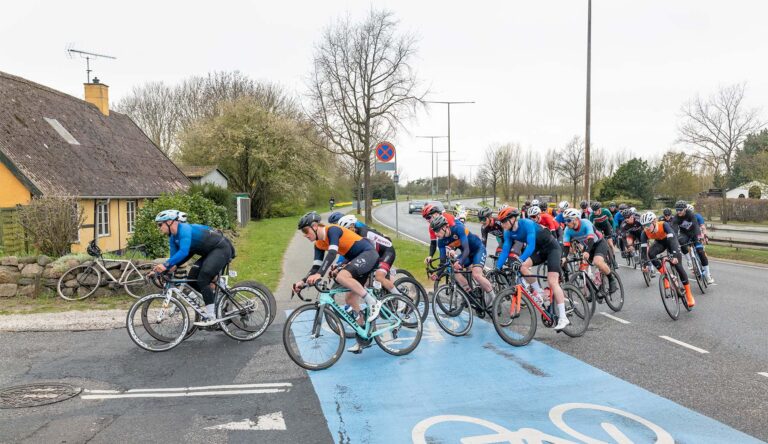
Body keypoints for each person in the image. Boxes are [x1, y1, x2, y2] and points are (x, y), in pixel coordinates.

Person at [292, 211, 382, 353]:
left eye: (305, 230)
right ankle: (363, 338)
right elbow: (315, 267)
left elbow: (332, 254)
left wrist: (320, 274)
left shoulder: (332, 230)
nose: (305, 235)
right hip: (355, 259)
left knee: (341, 276)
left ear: (315, 226)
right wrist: (302, 282)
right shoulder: (319, 244)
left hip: (368, 254)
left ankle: (373, 302)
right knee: (351, 300)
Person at [153, 209, 235, 327]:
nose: (159, 227)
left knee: (203, 278)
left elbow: (184, 251)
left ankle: (211, 316)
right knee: (191, 279)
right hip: (209, 253)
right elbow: (174, 258)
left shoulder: (184, 229)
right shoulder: (172, 238)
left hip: (221, 248)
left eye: (160, 224)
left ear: (170, 222)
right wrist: (165, 268)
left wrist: (165, 265)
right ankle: (217, 295)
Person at [494, 207, 570, 331]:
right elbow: (506, 249)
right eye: (501, 222)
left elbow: (531, 245)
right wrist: (498, 267)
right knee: (523, 268)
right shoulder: (507, 232)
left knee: (552, 281)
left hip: (552, 248)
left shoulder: (527, 224)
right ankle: (539, 292)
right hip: (539, 251)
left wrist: (520, 259)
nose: (502, 224)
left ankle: (563, 317)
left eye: (504, 221)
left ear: (512, 219)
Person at [430, 215, 496, 305]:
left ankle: (495, 300)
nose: (436, 234)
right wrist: (437, 274)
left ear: (445, 227)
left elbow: (466, 249)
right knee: (452, 269)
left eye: (437, 230)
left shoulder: (458, 229)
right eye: (434, 231)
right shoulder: (441, 241)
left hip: (477, 250)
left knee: (476, 275)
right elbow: (442, 261)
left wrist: (460, 262)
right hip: (467, 254)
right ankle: (469, 293)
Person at [639, 211, 696, 308]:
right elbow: (643, 251)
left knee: (677, 265)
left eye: (648, 225)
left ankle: (689, 294)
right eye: (644, 226)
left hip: (671, 242)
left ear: (654, 221)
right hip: (660, 243)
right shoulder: (644, 233)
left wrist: (674, 255)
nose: (646, 228)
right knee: (651, 253)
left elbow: (673, 240)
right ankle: (665, 276)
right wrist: (644, 264)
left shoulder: (664, 225)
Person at [337, 214, 403, 294]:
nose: (345, 234)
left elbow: (367, 254)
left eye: (346, 230)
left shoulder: (364, 233)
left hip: (387, 251)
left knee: (379, 277)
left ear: (352, 226)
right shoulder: (352, 237)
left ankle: (401, 299)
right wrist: (341, 265)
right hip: (375, 253)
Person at [561, 208, 619, 293]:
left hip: (599, 243)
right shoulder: (567, 230)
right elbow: (566, 245)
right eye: (565, 220)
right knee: (582, 269)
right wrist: (564, 257)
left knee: (597, 262)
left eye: (568, 220)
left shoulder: (585, 223)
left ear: (576, 219)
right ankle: (592, 291)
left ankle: (611, 279)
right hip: (587, 246)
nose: (566, 223)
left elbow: (591, 239)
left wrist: (587, 251)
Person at [673, 201, 714, 284]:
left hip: (694, 233)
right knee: (680, 242)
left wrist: (700, 237)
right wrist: (675, 240)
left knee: (701, 252)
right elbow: (674, 230)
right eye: (677, 210)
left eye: (680, 210)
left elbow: (696, 225)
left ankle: (708, 275)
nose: (678, 212)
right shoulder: (676, 217)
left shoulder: (690, 214)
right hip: (684, 234)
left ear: (685, 209)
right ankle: (689, 261)